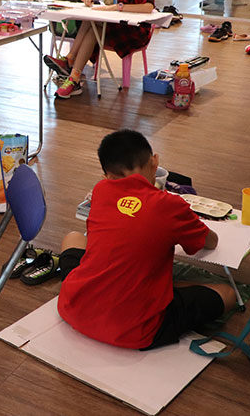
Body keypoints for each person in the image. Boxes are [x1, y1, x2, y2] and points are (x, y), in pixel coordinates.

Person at [58, 130, 235, 349]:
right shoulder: (169, 205)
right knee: (227, 294)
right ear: (154, 162)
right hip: (136, 330)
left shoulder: (100, 190)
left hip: (74, 308)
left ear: (107, 176)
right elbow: (210, 241)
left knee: (73, 237)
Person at [45, 0, 154, 100]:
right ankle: (72, 69)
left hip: (136, 33)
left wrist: (118, 7)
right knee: (90, 22)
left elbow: (148, 7)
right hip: (119, 27)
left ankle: (72, 69)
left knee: (93, 27)